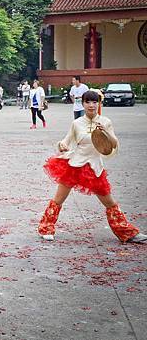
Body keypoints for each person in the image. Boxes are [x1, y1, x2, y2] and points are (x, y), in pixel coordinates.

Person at [39, 90, 146, 244]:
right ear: (82, 104)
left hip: (95, 168)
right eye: (87, 102)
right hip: (75, 165)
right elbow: (66, 141)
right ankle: (46, 228)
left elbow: (114, 144)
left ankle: (127, 232)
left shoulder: (105, 121)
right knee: (58, 199)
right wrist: (62, 145)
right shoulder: (76, 123)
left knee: (110, 202)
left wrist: (106, 133)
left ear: (99, 103)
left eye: (94, 102)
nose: (91, 105)